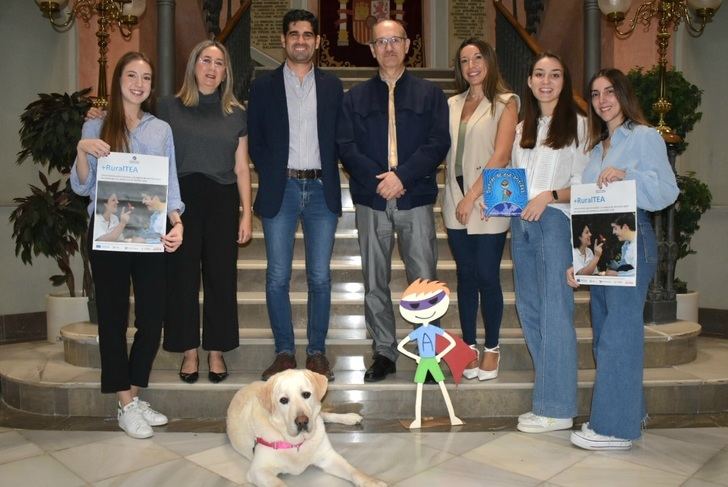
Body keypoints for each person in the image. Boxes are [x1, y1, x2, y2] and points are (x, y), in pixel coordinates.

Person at [71, 51, 184, 439]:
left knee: (153, 320)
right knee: (114, 320)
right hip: (107, 235)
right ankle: (125, 403)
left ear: (152, 86)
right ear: (119, 79)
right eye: (132, 75)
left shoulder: (160, 130)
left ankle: (132, 398)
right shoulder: (97, 125)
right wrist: (82, 151)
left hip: (150, 234)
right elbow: (82, 185)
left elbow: (169, 184)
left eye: (147, 77)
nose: (139, 83)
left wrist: (177, 222)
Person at [567, 68, 678, 450]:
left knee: (619, 336)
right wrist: (579, 259)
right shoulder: (596, 149)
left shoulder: (645, 137)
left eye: (609, 92)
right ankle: (631, 412)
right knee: (605, 336)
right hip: (604, 246)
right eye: (595, 94)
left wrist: (626, 174)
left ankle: (615, 429)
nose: (602, 100)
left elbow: (666, 191)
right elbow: (586, 209)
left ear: (623, 95)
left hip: (634, 241)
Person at [337, 19, 450, 382]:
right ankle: (383, 351)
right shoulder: (353, 98)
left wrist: (402, 177)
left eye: (395, 40)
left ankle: (428, 355)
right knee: (375, 281)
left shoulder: (431, 95)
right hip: (372, 201)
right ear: (371, 49)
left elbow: (437, 143)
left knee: (424, 282)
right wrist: (380, 181)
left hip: (414, 197)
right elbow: (346, 146)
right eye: (381, 41)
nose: (388, 47)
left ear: (407, 45)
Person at [248, 10, 343, 381]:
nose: (300, 40)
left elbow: (341, 137)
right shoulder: (263, 86)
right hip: (281, 189)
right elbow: (256, 139)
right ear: (284, 40)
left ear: (317, 41)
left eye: (307, 34)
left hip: (321, 190)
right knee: (277, 277)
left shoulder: (333, 86)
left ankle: (316, 353)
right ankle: (285, 352)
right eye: (293, 34)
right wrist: (273, 171)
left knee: (320, 277)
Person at [158, 40, 252, 384]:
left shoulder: (236, 113)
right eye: (205, 61)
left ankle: (216, 349)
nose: (212, 68)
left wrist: (245, 213)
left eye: (219, 63)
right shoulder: (168, 108)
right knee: (181, 278)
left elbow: (242, 168)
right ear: (193, 65)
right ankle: (188, 351)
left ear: (226, 71)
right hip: (181, 202)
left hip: (222, 199)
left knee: (221, 278)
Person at [509, 52, 588, 433]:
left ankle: (557, 407)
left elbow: (586, 186)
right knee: (531, 310)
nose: (546, 81)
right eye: (539, 74)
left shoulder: (580, 126)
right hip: (521, 223)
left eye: (555, 75)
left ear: (564, 81)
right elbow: (513, 178)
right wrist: (502, 200)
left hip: (555, 222)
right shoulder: (524, 127)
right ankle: (548, 398)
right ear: (529, 81)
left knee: (556, 312)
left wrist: (551, 196)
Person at [442, 38, 518, 382]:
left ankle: (492, 347)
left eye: (477, 58)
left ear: (489, 60)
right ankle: (469, 346)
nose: (471, 65)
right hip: (454, 200)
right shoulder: (451, 103)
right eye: (464, 60)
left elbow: (501, 155)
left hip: (487, 202)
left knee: (487, 276)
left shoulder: (506, 102)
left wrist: (472, 197)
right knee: (465, 276)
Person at [397, 279, 463, 428]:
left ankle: (452, 416)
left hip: (432, 360)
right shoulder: (419, 331)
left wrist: (439, 355)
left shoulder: (434, 330)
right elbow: (401, 346)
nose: (424, 310)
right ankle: (418, 419)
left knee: (442, 386)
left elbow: (451, 342)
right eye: (414, 305)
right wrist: (416, 357)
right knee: (420, 389)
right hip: (425, 361)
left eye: (432, 302)